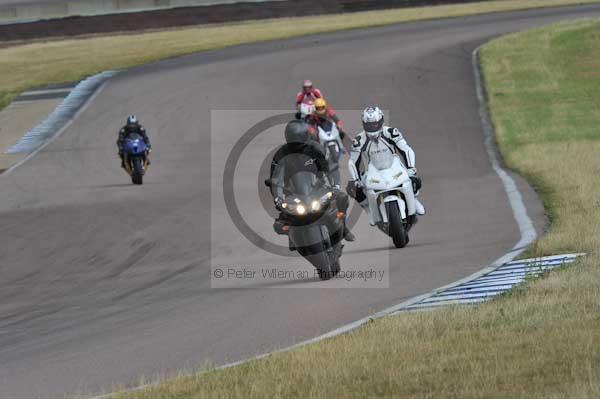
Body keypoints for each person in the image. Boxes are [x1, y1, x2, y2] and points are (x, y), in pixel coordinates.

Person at [269, 120, 355, 242]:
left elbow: (330, 167)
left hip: (317, 189)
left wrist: (335, 185)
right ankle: (292, 236)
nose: (297, 142)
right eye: (294, 139)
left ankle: (344, 228)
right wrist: (277, 197)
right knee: (279, 224)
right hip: (293, 194)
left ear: (305, 136)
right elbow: (276, 179)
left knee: (341, 198)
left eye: (298, 138)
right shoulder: (281, 154)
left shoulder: (316, 148)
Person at [347, 106, 426, 216]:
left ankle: (414, 199)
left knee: (415, 180)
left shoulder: (391, 132)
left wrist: (411, 167)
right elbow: (352, 162)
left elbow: (406, 149)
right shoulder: (358, 140)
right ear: (364, 124)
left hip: (395, 166)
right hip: (372, 171)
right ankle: (368, 209)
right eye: (369, 125)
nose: (372, 127)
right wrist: (356, 180)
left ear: (381, 121)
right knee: (352, 188)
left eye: (375, 124)